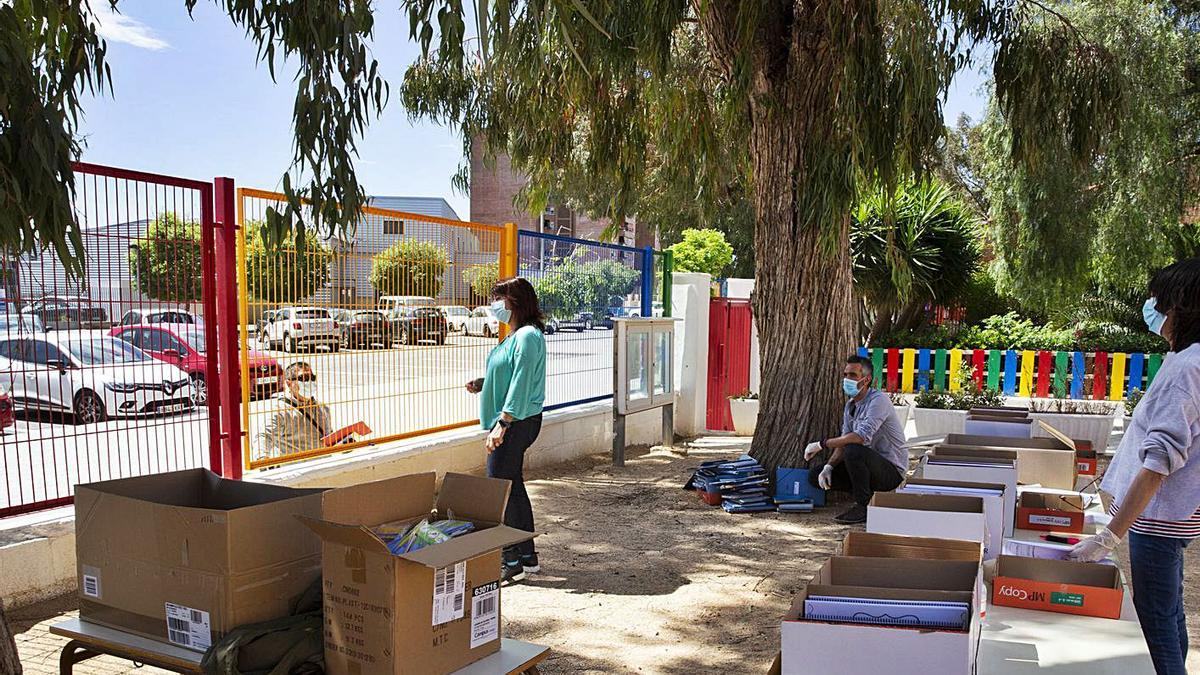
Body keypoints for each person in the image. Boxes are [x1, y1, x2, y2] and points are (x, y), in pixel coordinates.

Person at [1069, 258, 1200, 675]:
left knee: (1156, 625)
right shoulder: (1193, 359)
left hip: (1158, 518)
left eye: (1159, 301)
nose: (1153, 310)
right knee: (1170, 613)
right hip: (1175, 516)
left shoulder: (1186, 368)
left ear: (1181, 306)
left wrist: (1108, 537)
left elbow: (1159, 461)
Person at [465, 277, 547, 583]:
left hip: (516, 422)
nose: (493, 306)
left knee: (499, 490)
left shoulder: (527, 336)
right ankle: (526, 558)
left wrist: (503, 423)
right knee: (512, 490)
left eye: (498, 299)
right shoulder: (515, 336)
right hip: (513, 420)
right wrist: (484, 384)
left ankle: (510, 558)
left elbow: (523, 383)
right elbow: (510, 375)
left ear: (514, 301)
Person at [803, 354, 908, 524]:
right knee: (815, 476)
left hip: (891, 471)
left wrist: (821, 444)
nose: (847, 379)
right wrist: (829, 466)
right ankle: (866, 493)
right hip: (867, 466)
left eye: (853, 375)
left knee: (853, 450)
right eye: (845, 375)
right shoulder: (850, 405)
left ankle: (863, 506)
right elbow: (845, 439)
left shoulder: (878, 401)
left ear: (866, 380)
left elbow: (860, 437)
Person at [255, 361, 331, 461]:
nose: (310, 382)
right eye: (303, 378)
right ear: (289, 383)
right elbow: (264, 436)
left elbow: (329, 436)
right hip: (295, 468)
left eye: (312, 378)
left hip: (323, 465)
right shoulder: (281, 411)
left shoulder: (322, 408)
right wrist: (262, 459)